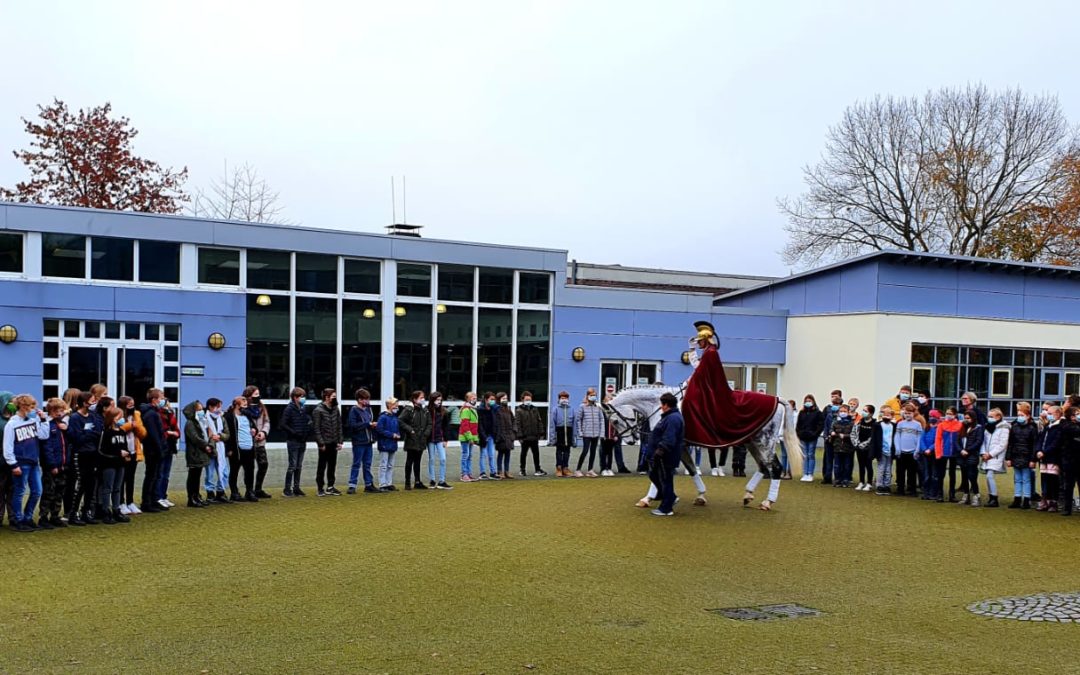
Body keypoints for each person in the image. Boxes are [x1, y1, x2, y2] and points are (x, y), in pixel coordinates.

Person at [2, 395, 48, 532]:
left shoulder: (33, 421)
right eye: (30, 406)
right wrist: (13, 464)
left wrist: (43, 420)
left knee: (37, 491)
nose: (33, 409)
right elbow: (8, 446)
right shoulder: (12, 424)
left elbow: (43, 435)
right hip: (20, 462)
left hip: (33, 462)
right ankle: (18, 519)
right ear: (22, 406)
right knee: (20, 491)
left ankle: (27, 518)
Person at [647, 392, 684, 517]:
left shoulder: (672, 418)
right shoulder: (670, 417)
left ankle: (666, 508)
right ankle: (669, 497)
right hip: (663, 454)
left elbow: (669, 438)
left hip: (666, 456)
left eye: (662, 404)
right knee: (655, 475)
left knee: (666, 479)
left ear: (666, 405)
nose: (661, 407)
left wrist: (659, 452)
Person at [66, 392, 99, 525]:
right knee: (80, 484)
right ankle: (73, 514)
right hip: (79, 454)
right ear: (85, 403)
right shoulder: (75, 418)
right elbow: (76, 438)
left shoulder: (93, 416)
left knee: (90, 484)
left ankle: (86, 512)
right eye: (92, 401)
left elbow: (97, 433)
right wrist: (88, 434)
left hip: (92, 453)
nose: (93, 404)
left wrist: (87, 433)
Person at [97, 405, 132, 525]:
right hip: (108, 464)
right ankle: (106, 511)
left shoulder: (122, 432)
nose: (123, 419)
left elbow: (124, 446)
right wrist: (118, 453)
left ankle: (116, 509)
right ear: (113, 419)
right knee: (108, 488)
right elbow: (102, 449)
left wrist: (127, 454)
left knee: (118, 488)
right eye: (120, 417)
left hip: (120, 464)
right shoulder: (106, 433)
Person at [38, 398, 69, 529]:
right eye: (58, 411)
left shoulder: (62, 425)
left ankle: (55, 515)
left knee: (59, 491)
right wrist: (52, 465)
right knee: (48, 491)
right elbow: (47, 448)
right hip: (52, 465)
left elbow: (67, 444)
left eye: (62, 410)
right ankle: (43, 517)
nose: (60, 413)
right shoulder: (48, 425)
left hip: (63, 464)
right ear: (51, 411)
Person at [139, 388, 169, 513]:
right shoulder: (151, 414)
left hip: (155, 449)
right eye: (161, 398)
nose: (163, 401)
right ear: (154, 399)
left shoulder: (154, 412)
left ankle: (152, 500)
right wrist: (160, 449)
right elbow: (154, 434)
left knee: (155, 475)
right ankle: (147, 502)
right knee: (151, 476)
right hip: (153, 450)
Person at [224, 396, 257, 501]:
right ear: (237, 405)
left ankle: (250, 491)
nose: (245, 407)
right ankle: (234, 492)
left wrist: (254, 430)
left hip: (249, 447)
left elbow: (254, 427)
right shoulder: (229, 416)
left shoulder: (247, 416)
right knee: (234, 471)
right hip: (237, 449)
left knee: (250, 471)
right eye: (243, 405)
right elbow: (227, 433)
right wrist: (228, 449)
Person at [241, 386, 272, 499]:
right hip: (248, 442)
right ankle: (249, 490)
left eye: (258, 394)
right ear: (248, 396)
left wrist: (263, 432)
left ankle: (258, 488)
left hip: (260, 442)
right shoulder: (243, 407)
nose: (257, 397)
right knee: (249, 467)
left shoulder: (261, 407)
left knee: (263, 464)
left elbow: (267, 421)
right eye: (255, 395)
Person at [117, 396, 146, 516]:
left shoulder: (137, 414)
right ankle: (120, 502)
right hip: (122, 452)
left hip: (134, 450)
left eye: (133, 404)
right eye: (129, 405)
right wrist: (130, 425)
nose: (131, 406)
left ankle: (130, 502)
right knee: (121, 479)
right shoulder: (118, 415)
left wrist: (136, 426)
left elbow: (143, 433)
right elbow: (118, 430)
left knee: (131, 478)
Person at [280, 387, 312, 496]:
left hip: (302, 440)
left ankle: (296, 487)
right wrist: (294, 433)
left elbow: (306, 422)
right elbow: (283, 424)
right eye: (301, 396)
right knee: (292, 465)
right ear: (295, 398)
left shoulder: (303, 409)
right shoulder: (289, 409)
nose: (303, 399)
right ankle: (287, 489)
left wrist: (307, 430)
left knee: (299, 465)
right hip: (293, 441)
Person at [346, 389, 379, 494]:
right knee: (356, 463)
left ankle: (368, 484)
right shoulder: (354, 410)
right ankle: (352, 485)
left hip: (368, 441)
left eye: (368, 399)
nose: (367, 401)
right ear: (359, 400)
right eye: (365, 399)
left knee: (367, 464)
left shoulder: (368, 410)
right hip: (358, 442)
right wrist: (368, 424)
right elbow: (353, 426)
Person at [1006, 402, 1038, 509]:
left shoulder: (1032, 428)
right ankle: (1017, 498)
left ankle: (1026, 500)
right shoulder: (1014, 427)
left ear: (1028, 416)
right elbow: (1010, 443)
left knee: (1026, 479)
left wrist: (1033, 459)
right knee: (1017, 479)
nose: (1019, 417)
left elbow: (1034, 445)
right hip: (1016, 455)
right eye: (1018, 415)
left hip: (1027, 457)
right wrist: (1008, 457)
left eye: (1022, 415)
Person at [312, 388, 343, 496]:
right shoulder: (318, 410)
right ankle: (320, 488)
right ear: (327, 397)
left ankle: (330, 486)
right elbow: (316, 429)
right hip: (324, 443)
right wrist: (321, 443)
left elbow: (339, 425)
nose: (335, 398)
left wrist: (340, 441)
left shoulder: (336, 409)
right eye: (333, 396)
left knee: (332, 465)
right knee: (322, 466)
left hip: (334, 442)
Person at [398, 391, 430, 490]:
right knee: (409, 460)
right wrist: (410, 430)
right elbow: (400, 420)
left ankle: (417, 481)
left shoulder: (425, 410)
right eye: (421, 397)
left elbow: (429, 423)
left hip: (421, 438)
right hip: (412, 438)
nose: (423, 399)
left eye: (423, 397)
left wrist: (426, 433)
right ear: (415, 399)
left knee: (418, 461)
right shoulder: (409, 409)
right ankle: (407, 482)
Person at [183, 401, 212, 507]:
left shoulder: (200, 422)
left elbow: (205, 435)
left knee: (197, 475)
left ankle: (196, 495)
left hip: (200, 452)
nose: (201, 411)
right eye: (199, 410)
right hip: (194, 453)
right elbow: (195, 438)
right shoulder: (190, 423)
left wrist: (208, 445)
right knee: (193, 475)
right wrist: (206, 445)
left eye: (202, 409)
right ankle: (191, 498)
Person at [1035, 405, 1065, 512]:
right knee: (1045, 479)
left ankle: (1054, 502)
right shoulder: (1048, 426)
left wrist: (1044, 452)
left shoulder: (1060, 427)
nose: (1047, 415)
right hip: (1043, 458)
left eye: (1050, 413)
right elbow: (1040, 439)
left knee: (1053, 480)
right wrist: (1038, 450)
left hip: (1053, 458)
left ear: (1057, 414)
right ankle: (1046, 501)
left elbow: (1056, 443)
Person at [202, 398, 231, 504]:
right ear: (210, 407)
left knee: (224, 472)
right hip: (210, 450)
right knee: (210, 473)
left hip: (220, 448)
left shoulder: (221, 418)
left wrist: (219, 436)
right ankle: (210, 493)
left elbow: (227, 434)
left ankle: (220, 492)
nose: (219, 409)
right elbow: (203, 435)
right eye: (217, 406)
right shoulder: (204, 418)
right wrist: (210, 441)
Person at [980, 408, 1009, 508]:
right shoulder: (987, 427)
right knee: (988, 476)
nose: (989, 418)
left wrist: (991, 454)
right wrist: (983, 453)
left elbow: (1002, 444)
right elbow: (983, 441)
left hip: (996, 456)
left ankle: (994, 497)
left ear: (998, 417)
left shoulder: (1004, 428)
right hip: (987, 455)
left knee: (989, 476)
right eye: (988, 416)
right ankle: (991, 497)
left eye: (991, 416)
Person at [156, 396, 181, 508]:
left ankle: (163, 496)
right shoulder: (158, 415)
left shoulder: (171, 415)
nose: (168, 406)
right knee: (160, 474)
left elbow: (177, 430)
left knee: (166, 474)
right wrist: (170, 433)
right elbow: (162, 431)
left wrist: (173, 433)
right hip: (162, 447)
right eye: (166, 404)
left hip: (170, 447)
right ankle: (158, 497)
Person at [934, 407, 963, 503]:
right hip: (943, 452)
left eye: (950, 413)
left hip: (955, 453)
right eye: (947, 413)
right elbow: (937, 440)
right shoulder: (941, 425)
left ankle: (952, 495)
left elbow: (962, 439)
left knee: (952, 474)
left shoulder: (960, 425)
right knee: (941, 474)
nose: (948, 415)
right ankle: (940, 494)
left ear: (955, 415)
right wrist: (938, 453)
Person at [425, 392, 452, 489]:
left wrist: (446, 439)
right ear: (432, 400)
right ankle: (432, 480)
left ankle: (442, 480)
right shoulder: (427, 411)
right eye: (437, 400)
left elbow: (446, 426)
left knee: (443, 459)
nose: (439, 402)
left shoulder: (444, 411)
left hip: (440, 438)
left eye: (440, 400)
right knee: (431, 459)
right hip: (430, 439)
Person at [894, 404, 923, 496]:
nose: (907, 415)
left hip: (912, 452)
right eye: (906, 413)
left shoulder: (917, 425)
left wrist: (917, 450)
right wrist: (897, 448)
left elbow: (919, 438)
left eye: (909, 413)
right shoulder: (900, 423)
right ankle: (900, 489)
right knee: (900, 472)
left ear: (913, 413)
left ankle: (912, 490)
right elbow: (897, 436)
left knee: (912, 472)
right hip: (901, 452)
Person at [515, 391, 546, 477]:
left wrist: (541, 432)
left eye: (530, 399)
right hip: (525, 437)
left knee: (536, 454)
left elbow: (539, 421)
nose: (528, 401)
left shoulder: (535, 409)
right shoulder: (519, 410)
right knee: (523, 454)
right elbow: (518, 424)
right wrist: (520, 436)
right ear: (522, 400)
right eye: (526, 399)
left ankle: (537, 469)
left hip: (534, 436)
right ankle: (522, 470)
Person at [574, 388, 603, 478]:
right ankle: (578, 469)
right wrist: (580, 431)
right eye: (591, 395)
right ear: (587, 396)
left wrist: (601, 433)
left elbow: (601, 419)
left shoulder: (598, 407)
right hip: (586, 433)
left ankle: (590, 470)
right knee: (585, 451)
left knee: (593, 452)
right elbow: (578, 419)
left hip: (596, 433)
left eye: (594, 395)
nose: (593, 397)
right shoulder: (582, 407)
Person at [957, 411, 984, 507]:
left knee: (972, 476)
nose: (966, 420)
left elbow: (978, 441)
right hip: (962, 455)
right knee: (964, 476)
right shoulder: (962, 427)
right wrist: (961, 450)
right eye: (965, 418)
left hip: (972, 455)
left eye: (968, 418)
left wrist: (968, 450)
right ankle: (966, 494)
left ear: (973, 418)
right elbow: (957, 440)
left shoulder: (978, 428)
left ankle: (976, 495)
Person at [851, 404, 880, 491]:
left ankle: (869, 483)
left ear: (871, 414)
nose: (863, 412)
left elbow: (872, 437)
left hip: (868, 449)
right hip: (859, 447)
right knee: (861, 465)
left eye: (866, 411)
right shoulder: (859, 422)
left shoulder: (874, 424)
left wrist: (864, 444)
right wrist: (856, 443)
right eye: (863, 410)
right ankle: (861, 482)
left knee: (868, 465)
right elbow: (853, 433)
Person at [796, 394, 824, 482]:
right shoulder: (802, 412)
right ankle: (805, 473)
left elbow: (820, 425)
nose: (808, 403)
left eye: (809, 401)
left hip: (812, 437)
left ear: (813, 402)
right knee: (804, 455)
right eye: (806, 401)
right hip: (803, 437)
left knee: (810, 455)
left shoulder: (818, 413)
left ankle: (810, 474)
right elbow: (798, 425)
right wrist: (799, 433)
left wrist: (815, 433)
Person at [549, 391, 577, 477]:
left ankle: (565, 468)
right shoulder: (555, 409)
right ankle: (559, 467)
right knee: (559, 451)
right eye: (562, 398)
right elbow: (552, 425)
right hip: (559, 432)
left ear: (568, 399)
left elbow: (574, 424)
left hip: (568, 432)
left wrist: (574, 437)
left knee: (567, 451)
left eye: (565, 398)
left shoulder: (572, 409)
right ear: (559, 399)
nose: (564, 399)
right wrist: (552, 437)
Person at [1058, 406, 1080, 516]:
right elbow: (1074, 430)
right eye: (1077, 414)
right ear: (1071, 416)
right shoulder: (1067, 425)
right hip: (1070, 460)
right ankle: (1067, 508)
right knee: (1069, 485)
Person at [376, 398, 401, 491]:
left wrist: (398, 434)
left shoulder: (394, 417)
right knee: (383, 465)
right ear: (389, 405)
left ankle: (389, 483)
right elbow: (380, 429)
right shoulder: (383, 417)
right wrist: (392, 435)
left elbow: (397, 428)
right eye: (395, 405)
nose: (397, 407)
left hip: (392, 444)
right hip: (384, 444)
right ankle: (382, 484)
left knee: (390, 465)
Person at [828, 404, 855, 488]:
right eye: (841, 411)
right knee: (837, 465)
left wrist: (845, 436)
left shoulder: (851, 423)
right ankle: (837, 480)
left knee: (847, 465)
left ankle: (845, 480)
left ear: (848, 412)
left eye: (845, 411)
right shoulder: (835, 422)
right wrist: (832, 433)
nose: (843, 413)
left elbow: (853, 434)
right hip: (837, 447)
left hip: (848, 448)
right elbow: (831, 430)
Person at [821, 390, 843, 484]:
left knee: (838, 460)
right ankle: (827, 477)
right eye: (834, 404)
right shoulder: (829, 414)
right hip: (828, 439)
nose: (835, 407)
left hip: (838, 440)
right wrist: (826, 436)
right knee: (828, 459)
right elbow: (825, 425)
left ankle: (838, 478)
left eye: (837, 405)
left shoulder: (842, 414)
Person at [919, 410, 942, 501]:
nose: (932, 418)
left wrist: (930, 449)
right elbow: (922, 439)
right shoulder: (926, 428)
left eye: (934, 417)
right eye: (930, 416)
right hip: (925, 454)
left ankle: (933, 493)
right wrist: (925, 449)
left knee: (934, 474)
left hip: (934, 454)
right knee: (926, 474)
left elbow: (938, 440)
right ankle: (926, 492)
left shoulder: (939, 428)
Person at [476, 392, 499, 480]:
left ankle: (493, 472)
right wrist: (483, 435)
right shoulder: (480, 410)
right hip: (484, 435)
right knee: (483, 454)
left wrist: (495, 433)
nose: (493, 401)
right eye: (491, 399)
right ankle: (482, 472)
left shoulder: (494, 409)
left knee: (491, 454)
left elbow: (496, 422)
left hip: (491, 434)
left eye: (494, 399)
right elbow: (480, 424)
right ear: (486, 400)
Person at [458, 392, 479, 482]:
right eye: (473, 398)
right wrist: (470, 437)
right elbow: (465, 425)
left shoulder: (473, 409)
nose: (475, 399)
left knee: (469, 456)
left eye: (475, 398)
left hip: (471, 437)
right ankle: (464, 474)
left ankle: (468, 473)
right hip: (466, 437)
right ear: (468, 399)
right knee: (465, 455)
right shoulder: (466, 410)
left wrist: (475, 438)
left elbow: (474, 426)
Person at [875, 406, 896, 495]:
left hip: (890, 450)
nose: (887, 416)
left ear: (892, 416)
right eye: (885, 414)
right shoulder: (878, 425)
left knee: (888, 469)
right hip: (881, 450)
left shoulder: (894, 426)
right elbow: (874, 439)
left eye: (889, 415)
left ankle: (887, 485)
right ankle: (879, 485)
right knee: (881, 468)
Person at [495, 392, 516, 480]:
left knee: (508, 454)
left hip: (509, 436)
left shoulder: (508, 410)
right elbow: (496, 424)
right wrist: (499, 435)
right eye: (503, 398)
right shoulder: (496, 409)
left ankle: (506, 471)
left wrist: (513, 433)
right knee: (500, 454)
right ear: (499, 399)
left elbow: (513, 421)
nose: (505, 400)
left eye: (506, 398)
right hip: (501, 436)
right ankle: (499, 471)